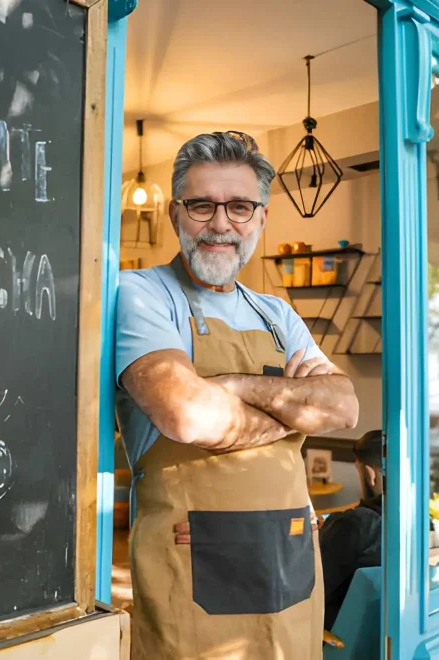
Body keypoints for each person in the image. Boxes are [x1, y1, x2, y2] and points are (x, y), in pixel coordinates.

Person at [115, 130, 360, 659]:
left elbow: (343, 406)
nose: (221, 224)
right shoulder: (140, 293)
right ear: (176, 214)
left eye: (240, 206)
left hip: (290, 563)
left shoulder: (277, 313)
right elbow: (187, 415)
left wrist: (236, 386)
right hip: (191, 574)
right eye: (202, 205)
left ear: (262, 218)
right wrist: (293, 408)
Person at [319, 430, 384, 631]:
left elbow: (307, 590)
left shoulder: (354, 525)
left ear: (369, 475)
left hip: (331, 639)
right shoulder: (417, 524)